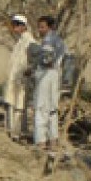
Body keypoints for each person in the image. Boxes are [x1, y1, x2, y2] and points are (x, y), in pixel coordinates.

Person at [33, 16, 67, 150]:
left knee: (41, 108)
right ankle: (53, 140)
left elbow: (47, 59)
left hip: (46, 76)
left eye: (42, 27)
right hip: (55, 75)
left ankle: (41, 141)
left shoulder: (48, 41)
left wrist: (37, 60)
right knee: (53, 108)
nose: (40, 30)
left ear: (50, 27)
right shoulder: (60, 41)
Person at [4, 15, 36, 140]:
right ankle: (11, 131)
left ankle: (16, 133)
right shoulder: (19, 42)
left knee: (19, 106)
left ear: (23, 26)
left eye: (17, 25)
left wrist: (29, 70)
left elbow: (34, 59)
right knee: (12, 104)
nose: (15, 27)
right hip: (14, 78)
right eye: (14, 25)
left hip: (22, 79)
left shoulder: (29, 41)